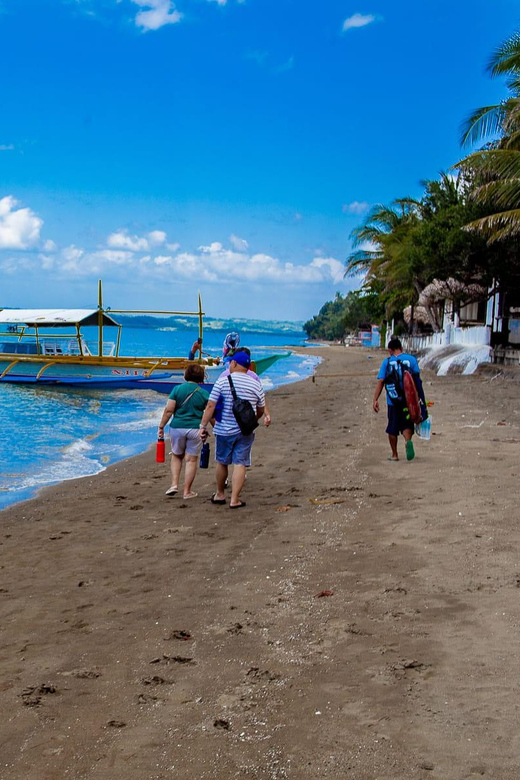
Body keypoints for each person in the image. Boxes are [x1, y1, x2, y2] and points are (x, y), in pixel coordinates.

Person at [199, 350, 265, 508]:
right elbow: (261, 408)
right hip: (245, 431)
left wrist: (202, 426)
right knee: (240, 463)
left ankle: (220, 494)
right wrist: (252, 420)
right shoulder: (255, 383)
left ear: (234, 363)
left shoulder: (222, 382)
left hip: (223, 430)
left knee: (222, 462)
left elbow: (210, 405)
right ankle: (235, 499)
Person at [158, 364, 209, 498]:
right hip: (195, 428)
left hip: (177, 427)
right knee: (191, 460)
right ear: (201, 377)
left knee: (176, 456)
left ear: (186, 375)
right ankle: (187, 492)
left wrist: (161, 426)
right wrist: (214, 428)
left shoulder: (177, 389)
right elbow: (210, 413)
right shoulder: (204, 393)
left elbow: (169, 410)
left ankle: (174, 484)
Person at [372, 337, 423, 462]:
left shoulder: (387, 362)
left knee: (392, 427)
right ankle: (408, 441)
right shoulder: (411, 360)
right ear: (402, 348)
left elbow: (381, 381)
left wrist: (375, 399)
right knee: (406, 424)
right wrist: (420, 399)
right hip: (409, 400)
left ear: (390, 350)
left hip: (393, 401)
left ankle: (394, 454)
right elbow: (416, 380)